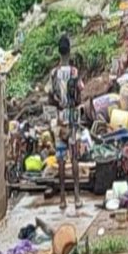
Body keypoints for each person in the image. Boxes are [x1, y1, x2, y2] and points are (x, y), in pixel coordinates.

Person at [48, 35, 83, 213]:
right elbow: (79, 95)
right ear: (69, 50)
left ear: (58, 51)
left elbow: (49, 97)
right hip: (73, 118)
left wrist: (59, 103)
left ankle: (62, 198)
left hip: (60, 119)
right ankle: (77, 197)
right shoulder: (74, 72)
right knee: (75, 157)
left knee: (61, 159)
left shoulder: (54, 73)